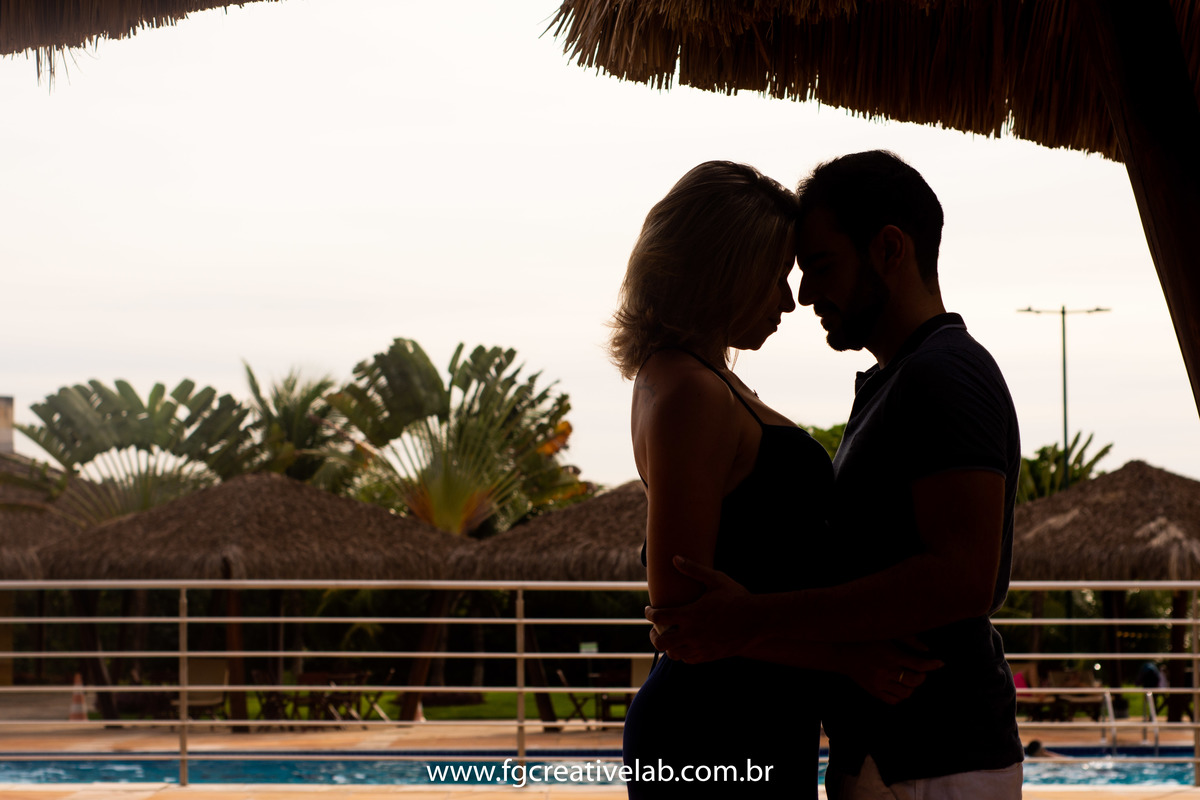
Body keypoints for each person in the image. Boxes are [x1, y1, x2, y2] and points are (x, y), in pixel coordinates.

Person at [646, 151, 1025, 799]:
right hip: (893, 748)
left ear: (889, 250)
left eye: (820, 266)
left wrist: (755, 618)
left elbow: (965, 578)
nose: (804, 295)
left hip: (933, 751)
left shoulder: (944, 374)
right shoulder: (898, 380)